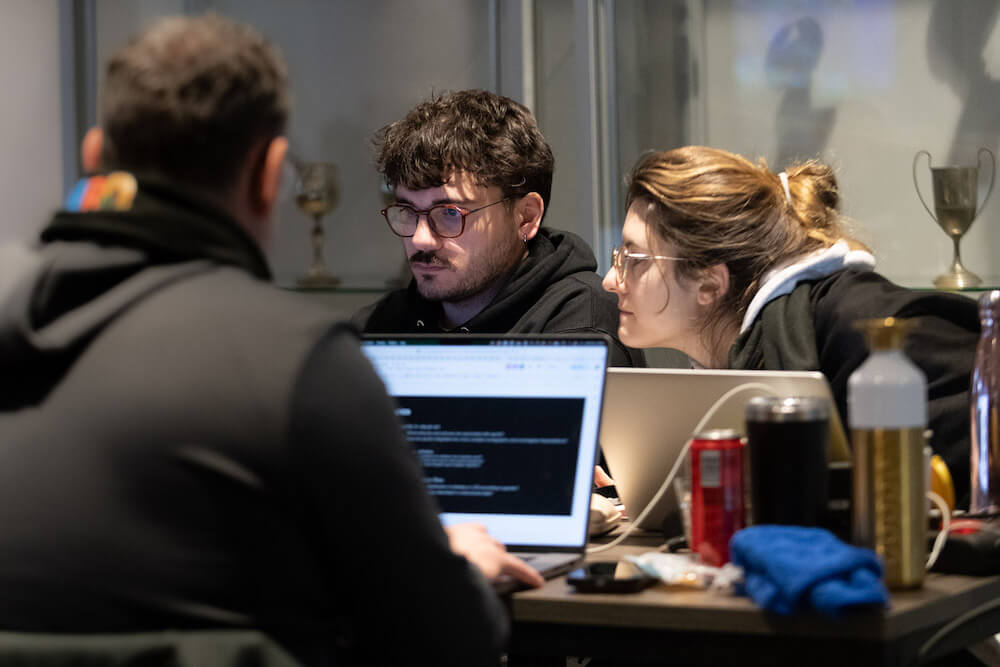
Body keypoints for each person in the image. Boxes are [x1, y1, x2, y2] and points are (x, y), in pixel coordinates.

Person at [0, 14, 541, 666]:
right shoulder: (303, 363)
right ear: (269, 173)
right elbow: (448, 643)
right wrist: (461, 569)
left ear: (93, 157)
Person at [602, 145, 979, 506]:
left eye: (634, 258)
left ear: (709, 284)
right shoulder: (740, 354)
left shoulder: (860, 320)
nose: (610, 280)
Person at [354, 89, 643, 367]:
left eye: (450, 213)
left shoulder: (581, 329)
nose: (420, 238)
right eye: (407, 211)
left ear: (526, 218)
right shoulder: (377, 327)